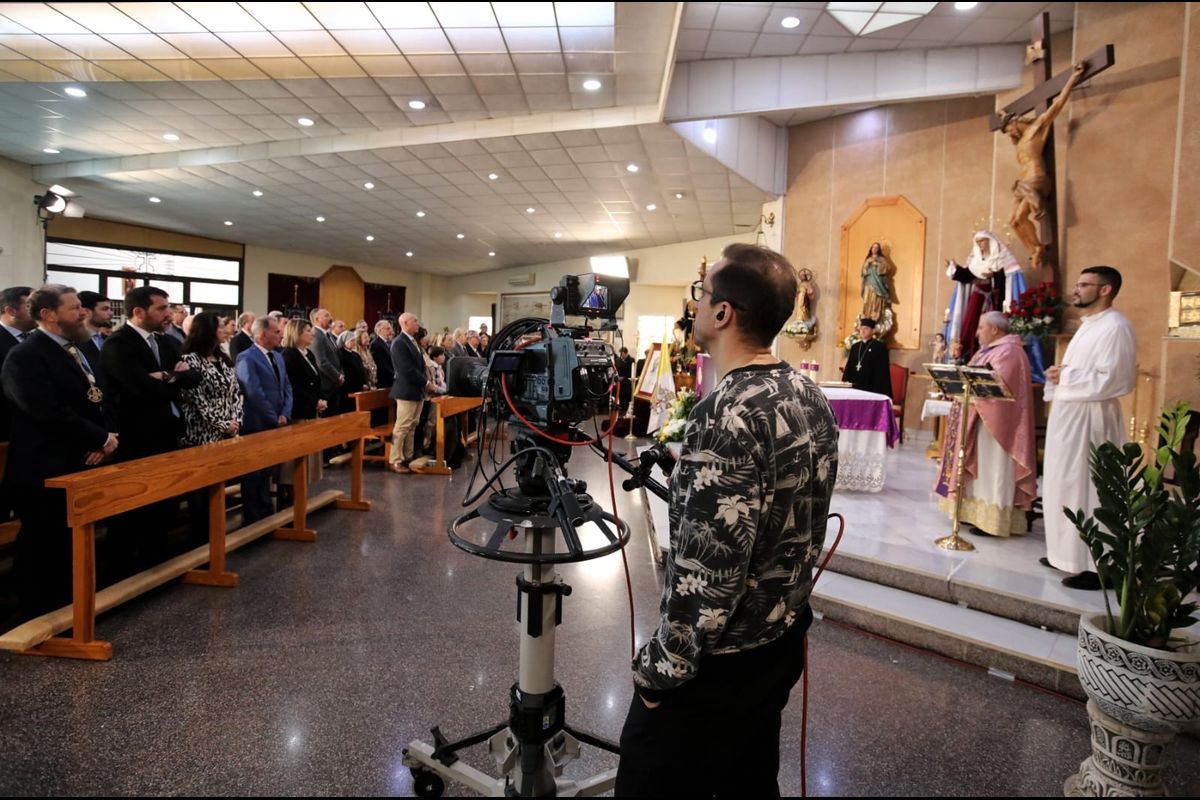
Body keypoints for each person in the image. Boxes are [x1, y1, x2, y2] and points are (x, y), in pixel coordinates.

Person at [617, 243, 838, 796]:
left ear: (723, 313)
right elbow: (782, 504)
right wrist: (692, 473)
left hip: (720, 664)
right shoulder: (809, 394)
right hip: (780, 637)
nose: (695, 306)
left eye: (702, 295)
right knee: (748, 780)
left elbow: (706, 581)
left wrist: (658, 674)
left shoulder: (724, 413)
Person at [1, 285, 116, 616]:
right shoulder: (25, 356)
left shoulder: (77, 349)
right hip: (44, 468)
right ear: (48, 315)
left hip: (80, 460)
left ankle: (73, 608)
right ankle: (39, 616)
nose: (82, 312)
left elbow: (101, 395)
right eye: (74, 308)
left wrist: (105, 438)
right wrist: (97, 438)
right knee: (43, 546)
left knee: (70, 544)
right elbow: (45, 410)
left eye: (81, 306)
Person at [1042, 266, 1136, 590]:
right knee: (1063, 482)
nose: (1077, 289)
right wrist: (1060, 373)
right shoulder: (1088, 326)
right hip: (1069, 415)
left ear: (1106, 289)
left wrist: (1065, 376)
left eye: (1084, 284)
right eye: (1078, 283)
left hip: (1092, 419)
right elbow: (1081, 371)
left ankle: (1098, 566)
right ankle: (1065, 554)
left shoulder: (1116, 327)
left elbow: (1116, 379)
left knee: (1088, 488)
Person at [934, 312, 1037, 537]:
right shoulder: (988, 351)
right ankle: (974, 514)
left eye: (981, 328)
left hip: (997, 426)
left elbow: (998, 387)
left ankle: (994, 521)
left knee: (993, 468)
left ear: (995, 330)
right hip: (979, 420)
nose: (978, 332)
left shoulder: (1009, 351)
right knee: (979, 468)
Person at [1002, 62, 1086, 270]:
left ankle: (1037, 248)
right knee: (1012, 222)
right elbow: (1004, 119)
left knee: (1021, 216)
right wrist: (1003, 117)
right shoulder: (1020, 142)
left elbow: (1057, 105)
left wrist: (1072, 79)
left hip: (1036, 178)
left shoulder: (1037, 128)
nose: (1010, 134)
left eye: (1010, 129)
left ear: (1016, 122)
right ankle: (1035, 247)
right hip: (1023, 182)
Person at [235, 315, 292, 523]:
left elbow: (286, 386)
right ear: (261, 334)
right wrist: (273, 417)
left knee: (267, 471)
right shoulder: (246, 357)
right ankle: (253, 518)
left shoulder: (277, 356)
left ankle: (267, 513)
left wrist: (285, 413)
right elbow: (253, 391)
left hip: (276, 421)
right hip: (256, 423)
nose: (281, 335)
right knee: (253, 474)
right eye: (276, 332)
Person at [280, 318, 327, 505]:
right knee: (295, 457)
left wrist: (321, 398)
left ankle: (303, 491)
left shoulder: (308, 354)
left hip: (312, 409)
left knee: (308, 453)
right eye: (308, 330)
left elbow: (317, 379)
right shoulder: (289, 355)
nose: (312, 334)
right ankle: (291, 495)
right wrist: (314, 401)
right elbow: (294, 386)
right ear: (297, 333)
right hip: (300, 410)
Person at [178, 311, 243, 447]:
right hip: (202, 432)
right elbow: (198, 399)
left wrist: (236, 420)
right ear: (208, 330)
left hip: (230, 430)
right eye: (221, 327)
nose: (226, 330)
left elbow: (235, 392)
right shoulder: (190, 360)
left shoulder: (223, 358)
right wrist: (223, 424)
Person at [388, 312, 436, 474]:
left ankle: (407, 456)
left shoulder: (412, 341)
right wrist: (426, 382)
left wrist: (425, 382)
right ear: (406, 323)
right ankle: (395, 459)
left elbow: (421, 366)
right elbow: (406, 369)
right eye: (415, 321)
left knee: (413, 424)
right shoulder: (399, 342)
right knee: (402, 426)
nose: (418, 324)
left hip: (417, 390)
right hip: (406, 390)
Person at [841, 319, 892, 399]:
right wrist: (845, 383)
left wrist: (878, 391)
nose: (863, 331)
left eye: (866, 328)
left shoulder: (879, 347)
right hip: (855, 387)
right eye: (861, 328)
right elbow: (849, 367)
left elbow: (882, 371)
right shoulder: (855, 347)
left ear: (873, 331)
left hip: (871, 387)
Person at [308, 308, 345, 411]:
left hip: (334, 384)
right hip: (326, 385)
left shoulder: (328, 334)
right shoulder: (316, 335)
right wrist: (337, 376)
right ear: (317, 319)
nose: (331, 318)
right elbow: (321, 361)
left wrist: (341, 374)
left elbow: (337, 357)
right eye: (327, 315)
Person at [77, 291, 112, 390]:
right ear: (87, 312)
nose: (110, 313)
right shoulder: (75, 342)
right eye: (105, 309)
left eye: (110, 309)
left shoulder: (108, 340)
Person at [860, 241, 894, 324]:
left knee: (877, 299)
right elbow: (863, 272)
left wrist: (878, 265)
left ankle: (876, 316)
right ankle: (867, 316)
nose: (874, 249)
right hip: (869, 283)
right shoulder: (868, 259)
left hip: (878, 284)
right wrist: (867, 265)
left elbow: (888, 268)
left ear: (878, 250)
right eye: (873, 247)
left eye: (876, 248)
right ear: (871, 249)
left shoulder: (882, 259)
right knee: (868, 300)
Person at [371, 320, 395, 390]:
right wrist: (395, 375)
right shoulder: (376, 344)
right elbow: (382, 364)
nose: (391, 331)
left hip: (391, 379)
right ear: (380, 331)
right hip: (384, 381)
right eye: (388, 329)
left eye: (391, 328)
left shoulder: (388, 343)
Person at [615, 346, 635, 412]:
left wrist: (624, 377)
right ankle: (621, 408)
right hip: (620, 381)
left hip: (627, 381)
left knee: (627, 396)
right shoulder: (618, 360)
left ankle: (626, 409)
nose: (621, 355)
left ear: (626, 353)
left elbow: (631, 371)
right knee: (620, 395)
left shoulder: (631, 360)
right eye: (620, 353)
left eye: (622, 353)